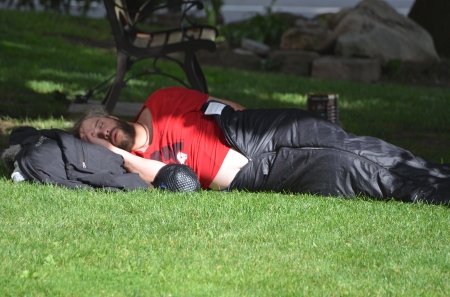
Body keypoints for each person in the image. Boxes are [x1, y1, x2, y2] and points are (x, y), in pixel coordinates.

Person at [73, 86, 450, 204]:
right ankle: (435, 193)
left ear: (107, 115)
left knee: (350, 142)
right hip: (254, 173)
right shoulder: (138, 165)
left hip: (255, 129)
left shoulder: (160, 99)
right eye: (91, 138)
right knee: (348, 166)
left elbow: (225, 105)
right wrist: (120, 156)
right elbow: (183, 181)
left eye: (96, 124)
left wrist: (252, 123)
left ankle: (436, 174)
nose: (99, 132)